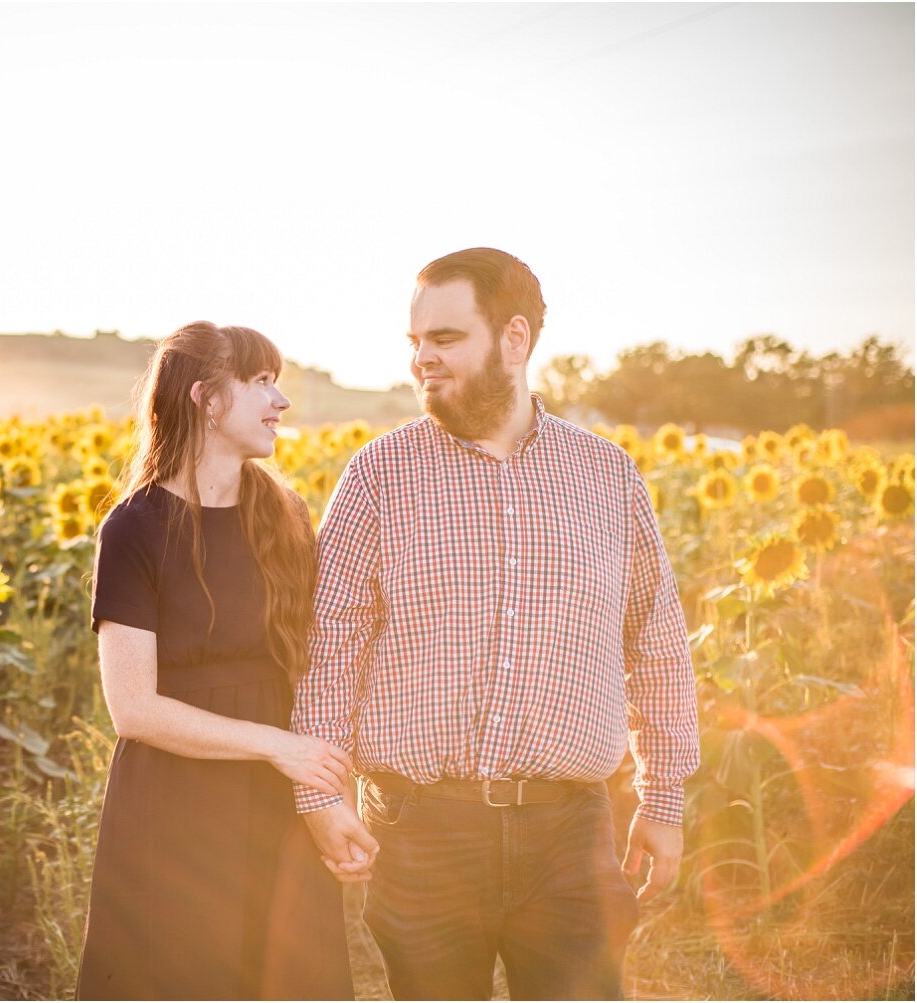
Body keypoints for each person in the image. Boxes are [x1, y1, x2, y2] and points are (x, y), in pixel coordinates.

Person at [293, 248, 700, 1001]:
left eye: (445, 338)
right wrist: (321, 793)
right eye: (414, 342)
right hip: (420, 830)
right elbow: (331, 650)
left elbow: (657, 641)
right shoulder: (378, 477)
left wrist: (664, 799)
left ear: (515, 339)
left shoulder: (607, 477)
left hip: (571, 835)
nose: (422, 359)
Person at [77, 321, 355, 1001]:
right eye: (261, 382)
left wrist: (324, 787)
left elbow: (320, 660)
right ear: (205, 397)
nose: (280, 400)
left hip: (275, 805)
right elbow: (133, 707)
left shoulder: (285, 512)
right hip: (175, 807)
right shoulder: (135, 526)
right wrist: (277, 746)